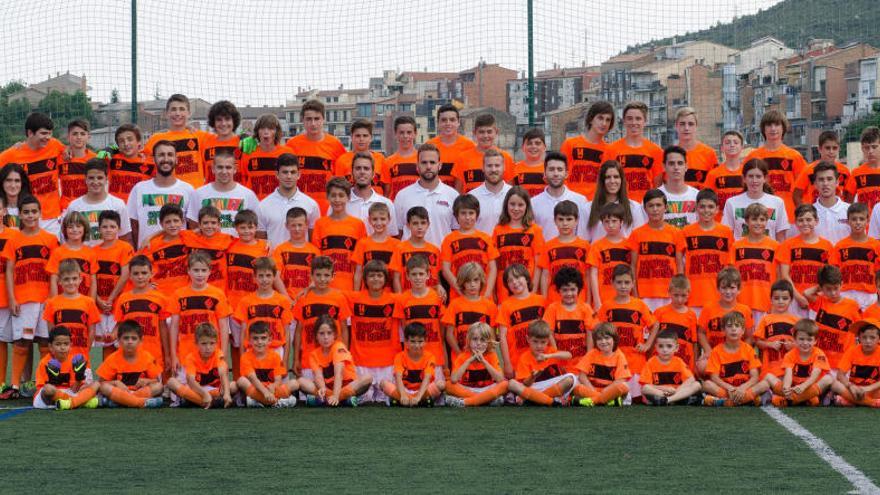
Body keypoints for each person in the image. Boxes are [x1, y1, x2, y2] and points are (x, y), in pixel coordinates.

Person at [3, 195, 58, 399]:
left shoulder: (50, 239)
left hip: (45, 298)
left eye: (34, 211)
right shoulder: (14, 239)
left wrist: (53, 299)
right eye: (26, 212)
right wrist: (12, 298)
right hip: (23, 298)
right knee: (22, 342)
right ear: (20, 215)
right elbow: (9, 270)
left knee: (45, 341)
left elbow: (54, 271)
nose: (30, 215)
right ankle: (16, 386)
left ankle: (44, 383)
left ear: (40, 213)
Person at [596, 264, 657, 397]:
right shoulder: (606, 306)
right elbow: (598, 329)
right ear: (612, 283)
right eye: (619, 282)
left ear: (633, 283)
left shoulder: (639, 305)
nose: (623, 286)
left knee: (636, 397)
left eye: (627, 282)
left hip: (635, 362)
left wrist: (647, 345)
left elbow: (655, 325)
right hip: (613, 361)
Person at [0, 112, 65, 235]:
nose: (48, 137)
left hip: (51, 218)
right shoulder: (14, 153)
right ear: (30, 133)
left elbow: (73, 152)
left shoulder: (55, 145)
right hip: (24, 216)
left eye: (50, 133)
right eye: (43, 133)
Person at [168, 251, 232, 374]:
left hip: (211, 353)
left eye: (203, 270)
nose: (200, 274)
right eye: (196, 270)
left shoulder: (217, 294)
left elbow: (224, 327)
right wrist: (173, 355)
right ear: (188, 271)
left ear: (209, 271)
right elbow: (174, 327)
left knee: (212, 389)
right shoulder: (178, 294)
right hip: (185, 353)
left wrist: (222, 354)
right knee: (182, 389)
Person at [347, 260, 399, 403]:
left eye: (379, 275)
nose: (376, 279)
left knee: (388, 398)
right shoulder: (354, 299)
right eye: (371, 276)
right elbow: (330, 293)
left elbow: (416, 296)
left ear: (385, 279)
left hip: (387, 362)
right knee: (363, 398)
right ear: (365, 279)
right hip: (361, 361)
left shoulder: (395, 300)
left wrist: (437, 288)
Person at [127, 140, 195, 249]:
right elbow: (132, 225)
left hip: (178, 254)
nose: (166, 159)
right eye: (161, 155)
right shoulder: (139, 189)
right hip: (147, 256)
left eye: (170, 155)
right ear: (154, 159)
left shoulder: (188, 190)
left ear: (176, 159)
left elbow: (192, 227)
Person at [291, 256, 351, 376]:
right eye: (318, 275)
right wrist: (296, 359)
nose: (322, 279)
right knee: (310, 393)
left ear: (333, 276)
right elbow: (298, 331)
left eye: (326, 275)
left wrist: (344, 355)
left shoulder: (339, 298)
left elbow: (344, 328)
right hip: (308, 360)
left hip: (333, 359)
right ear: (311, 276)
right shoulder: (303, 299)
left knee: (333, 393)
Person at [743, 109, 807, 222]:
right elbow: (744, 187)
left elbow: (804, 187)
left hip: (789, 216)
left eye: (777, 124)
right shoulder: (753, 156)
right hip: (759, 216)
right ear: (763, 129)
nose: (773, 129)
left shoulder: (794, 156)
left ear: (783, 128)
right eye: (769, 125)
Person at [285, 99, 346, 212]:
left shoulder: (335, 145)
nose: (313, 123)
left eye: (317, 119)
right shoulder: (291, 145)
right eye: (309, 119)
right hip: (298, 208)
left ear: (323, 119)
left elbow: (342, 180)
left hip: (327, 208)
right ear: (302, 120)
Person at [112, 255, 169, 375]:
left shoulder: (160, 298)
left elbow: (163, 327)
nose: (140, 277)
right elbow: (119, 324)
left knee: (155, 389)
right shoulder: (123, 298)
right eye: (136, 273)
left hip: (153, 354)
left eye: (144, 273)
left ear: (151, 274)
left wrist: (167, 355)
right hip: (129, 356)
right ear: (130, 276)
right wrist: (112, 334)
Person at [629, 188, 684, 311]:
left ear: (665, 207)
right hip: (645, 294)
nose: (655, 209)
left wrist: (679, 292)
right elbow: (633, 266)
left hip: (669, 294)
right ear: (645, 208)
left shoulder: (676, 233)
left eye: (658, 205)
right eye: (651, 206)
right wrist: (635, 293)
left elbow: (679, 265)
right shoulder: (636, 234)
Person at [680, 189, 734, 315]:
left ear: (717, 209)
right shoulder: (686, 232)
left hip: (719, 296)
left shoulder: (726, 233)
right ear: (696, 208)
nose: (706, 210)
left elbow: (730, 266)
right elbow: (681, 264)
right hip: (693, 296)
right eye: (702, 206)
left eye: (710, 207)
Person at [394, 143, 459, 247]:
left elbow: (456, 231)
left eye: (432, 162)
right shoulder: (402, 195)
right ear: (417, 166)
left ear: (440, 165)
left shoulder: (453, 195)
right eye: (424, 162)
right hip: (410, 259)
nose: (428, 167)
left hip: (440, 259)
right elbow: (398, 232)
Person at [298, 315, 372, 407]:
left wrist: (336, 396)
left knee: (367, 378)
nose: (325, 337)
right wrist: (322, 388)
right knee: (301, 382)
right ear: (316, 335)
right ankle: (344, 400)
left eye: (329, 333)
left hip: (347, 386)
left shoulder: (339, 347)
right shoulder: (314, 354)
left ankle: (328, 400)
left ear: (335, 335)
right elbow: (318, 376)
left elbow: (339, 374)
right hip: (329, 389)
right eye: (321, 333)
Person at [232, 257, 293, 365]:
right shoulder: (245, 301)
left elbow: (287, 333)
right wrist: (243, 360)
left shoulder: (282, 301)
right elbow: (243, 334)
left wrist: (285, 361)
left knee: (279, 382)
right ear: (254, 277)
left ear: (274, 277)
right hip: (252, 351)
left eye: (268, 275)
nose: (265, 279)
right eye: (261, 276)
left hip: (276, 349)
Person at [393, 255, 446, 378]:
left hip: (434, 354)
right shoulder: (402, 299)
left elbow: (441, 332)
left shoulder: (437, 298)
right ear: (407, 276)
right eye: (414, 274)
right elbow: (404, 329)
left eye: (421, 274)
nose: (418, 278)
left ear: (428, 275)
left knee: (436, 389)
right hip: (412, 356)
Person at [777, 204, 834, 317]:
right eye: (801, 220)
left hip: (818, 298)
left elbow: (830, 276)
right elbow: (784, 274)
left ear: (816, 221)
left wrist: (815, 295)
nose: (805, 223)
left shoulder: (827, 246)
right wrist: (798, 297)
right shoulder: (788, 245)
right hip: (794, 298)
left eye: (809, 219)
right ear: (796, 223)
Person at [143, 94, 210, 188]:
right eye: (173, 109)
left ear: (189, 113)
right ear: (166, 113)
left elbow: (223, 140)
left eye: (182, 109)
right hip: (167, 194)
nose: (177, 113)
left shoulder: (199, 136)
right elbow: (142, 165)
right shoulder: (156, 139)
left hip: (194, 194)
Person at [187, 149, 260, 237]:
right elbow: (193, 224)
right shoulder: (199, 193)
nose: (224, 172)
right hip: (208, 248)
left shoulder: (248, 195)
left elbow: (257, 226)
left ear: (235, 169)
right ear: (213, 169)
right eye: (220, 167)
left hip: (237, 248)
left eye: (228, 167)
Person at [702, 311, 767, 406]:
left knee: (765, 384)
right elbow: (714, 377)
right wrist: (729, 388)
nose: (733, 329)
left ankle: (726, 402)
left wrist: (742, 388)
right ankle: (747, 400)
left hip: (744, 389)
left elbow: (755, 377)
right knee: (707, 384)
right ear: (723, 330)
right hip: (726, 390)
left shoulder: (748, 349)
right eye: (729, 326)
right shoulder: (716, 351)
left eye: (737, 326)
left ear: (743, 330)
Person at [763, 319, 833, 407]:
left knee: (828, 379)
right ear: (795, 339)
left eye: (809, 340)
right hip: (794, 388)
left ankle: (791, 400)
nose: (805, 343)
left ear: (815, 341)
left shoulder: (819, 353)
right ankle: (804, 399)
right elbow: (788, 374)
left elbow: (815, 374)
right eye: (801, 339)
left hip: (809, 387)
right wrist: (786, 388)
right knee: (768, 377)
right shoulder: (790, 355)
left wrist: (804, 386)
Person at [697, 267, 755, 373]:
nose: (728, 292)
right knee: (702, 366)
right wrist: (708, 350)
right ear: (718, 288)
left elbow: (749, 337)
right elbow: (701, 332)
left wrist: (741, 353)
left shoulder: (744, 310)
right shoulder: (708, 308)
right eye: (724, 288)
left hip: (736, 353)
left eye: (732, 288)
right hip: (715, 353)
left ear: (739, 289)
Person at [41, 259, 100, 363]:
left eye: (74, 278)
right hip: (60, 358)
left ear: (80, 279)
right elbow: (51, 332)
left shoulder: (89, 302)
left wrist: (86, 350)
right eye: (66, 279)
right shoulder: (52, 303)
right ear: (59, 281)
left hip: (81, 357)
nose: (71, 282)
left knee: (81, 379)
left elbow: (91, 331)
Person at [95, 319, 164, 408]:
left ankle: (122, 402)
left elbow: (157, 381)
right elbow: (101, 383)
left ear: (141, 340)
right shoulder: (112, 358)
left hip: (139, 392)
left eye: (134, 338)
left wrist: (147, 381)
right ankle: (141, 403)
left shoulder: (147, 357)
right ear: (119, 340)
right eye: (126, 338)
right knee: (104, 388)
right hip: (120, 392)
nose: (130, 341)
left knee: (159, 386)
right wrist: (115, 383)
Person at [313, 178, 367, 290]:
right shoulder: (320, 224)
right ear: (327, 197)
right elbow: (316, 260)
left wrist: (356, 292)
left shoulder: (358, 225)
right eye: (333, 195)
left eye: (341, 195)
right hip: (325, 287)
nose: (337, 199)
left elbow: (360, 263)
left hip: (349, 286)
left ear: (348, 198)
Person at [803, 265, 860, 370]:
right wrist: (820, 286)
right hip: (822, 360)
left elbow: (859, 331)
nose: (833, 293)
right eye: (828, 289)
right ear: (821, 287)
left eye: (836, 288)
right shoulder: (820, 301)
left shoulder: (852, 306)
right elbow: (806, 293)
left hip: (842, 362)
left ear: (841, 284)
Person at [257, 153, 320, 249]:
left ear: (299, 175)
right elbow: (261, 244)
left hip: (302, 261)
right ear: (277, 174)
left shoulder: (311, 205)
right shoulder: (262, 206)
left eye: (293, 172)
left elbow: (314, 242)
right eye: (285, 172)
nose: (289, 176)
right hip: (274, 262)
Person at [166, 322, 235, 408]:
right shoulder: (191, 358)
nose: (208, 347)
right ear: (196, 343)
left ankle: (193, 400)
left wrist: (227, 394)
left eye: (212, 343)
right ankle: (210, 403)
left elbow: (224, 375)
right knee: (171, 382)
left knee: (233, 386)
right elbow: (191, 382)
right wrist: (205, 394)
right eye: (204, 344)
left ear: (216, 343)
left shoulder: (218, 354)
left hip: (213, 389)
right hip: (196, 389)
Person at [605, 101, 663, 203]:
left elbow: (657, 185)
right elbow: (605, 181)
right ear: (624, 121)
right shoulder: (611, 150)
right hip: (620, 205)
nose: (634, 123)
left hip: (645, 206)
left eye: (638, 119)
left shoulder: (656, 151)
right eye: (630, 118)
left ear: (645, 121)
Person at [65, 158, 132, 245]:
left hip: (109, 257)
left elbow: (124, 237)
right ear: (85, 179)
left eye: (100, 178)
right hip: (84, 256)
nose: (95, 182)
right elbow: (68, 238)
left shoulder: (118, 205)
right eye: (91, 178)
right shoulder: (74, 206)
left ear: (106, 178)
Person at [732, 203, 780, 324]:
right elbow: (732, 276)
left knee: (762, 342)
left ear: (767, 221)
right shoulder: (736, 246)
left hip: (765, 302)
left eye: (762, 219)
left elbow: (779, 278)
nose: (758, 223)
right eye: (754, 219)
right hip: (741, 302)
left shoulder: (775, 246)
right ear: (746, 221)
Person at [508, 320, 574, 406]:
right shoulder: (524, 358)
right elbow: (525, 384)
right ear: (528, 339)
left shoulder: (550, 351)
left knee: (570, 379)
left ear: (548, 340)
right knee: (512, 384)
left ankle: (535, 400)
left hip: (550, 387)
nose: (539, 346)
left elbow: (569, 355)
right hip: (535, 388)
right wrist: (533, 377)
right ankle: (550, 401)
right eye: (535, 341)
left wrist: (548, 356)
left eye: (543, 342)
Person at [721, 158, 790, 241]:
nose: (754, 180)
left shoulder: (777, 203)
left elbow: (781, 237)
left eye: (758, 176)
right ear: (744, 178)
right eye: (750, 176)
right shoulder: (732, 203)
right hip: (741, 252)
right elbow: (727, 235)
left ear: (765, 178)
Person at [497, 264, 547, 379]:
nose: (514, 282)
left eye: (518, 277)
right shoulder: (505, 306)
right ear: (507, 285)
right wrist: (507, 364)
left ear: (526, 278)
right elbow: (502, 337)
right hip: (517, 361)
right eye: (510, 280)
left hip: (541, 359)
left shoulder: (541, 301)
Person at [543, 267, 595, 372]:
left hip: (581, 362)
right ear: (558, 290)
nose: (569, 293)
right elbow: (549, 334)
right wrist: (557, 357)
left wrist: (588, 360)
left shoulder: (586, 308)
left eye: (572, 289)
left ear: (579, 289)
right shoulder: (552, 308)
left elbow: (590, 335)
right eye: (565, 290)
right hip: (561, 364)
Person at [444, 321, 508, 407]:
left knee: (505, 384)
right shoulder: (462, 356)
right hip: (468, 390)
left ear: (488, 342)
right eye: (475, 339)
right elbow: (454, 379)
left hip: (486, 389)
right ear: (468, 340)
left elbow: (500, 379)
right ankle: (486, 400)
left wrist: (484, 362)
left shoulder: (492, 355)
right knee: (448, 385)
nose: (478, 343)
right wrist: (468, 361)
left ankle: (465, 402)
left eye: (482, 340)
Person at [34, 326, 99, 410]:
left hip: (69, 393)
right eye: (58, 344)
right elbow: (42, 389)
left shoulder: (74, 360)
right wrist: (52, 382)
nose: (62, 347)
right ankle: (80, 402)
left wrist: (79, 378)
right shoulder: (44, 362)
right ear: (50, 346)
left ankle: (71, 403)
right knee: (49, 389)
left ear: (71, 345)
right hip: (50, 395)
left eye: (66, 344)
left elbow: (74, 389)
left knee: (96, 384)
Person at [539, 200, 591, 304]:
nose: (565, 223)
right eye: (561, 219)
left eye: (569, 219)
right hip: (554, 299)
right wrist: (544, 301)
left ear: (576, 221)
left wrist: (589, 300)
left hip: (579, 299)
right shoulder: (548, 246)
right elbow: (545, 275)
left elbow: (587, 275)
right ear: (555, 221)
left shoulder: (585, 246)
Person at [380, 322, 444, 407]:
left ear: (425, 341)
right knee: (383, 383)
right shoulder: (399, 356)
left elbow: (427, 378)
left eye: (420, 341)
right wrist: (403, 395)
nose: (417, 345)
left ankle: (403, 401)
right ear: (406, 341)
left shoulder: (430, 357)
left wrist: (418, 396)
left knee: (441, 384)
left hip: (422, 391)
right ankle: (421, 402)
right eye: (413, 341)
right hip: (404, 391)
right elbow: (398, 378)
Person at [441, 262, 496, 361]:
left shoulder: (489, 306)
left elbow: (492, 335)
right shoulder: (454, 305)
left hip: (484, 360)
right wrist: (460, 355)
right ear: (462, 282)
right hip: (461, 359)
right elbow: (449, 335)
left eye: (476, 280)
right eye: (468, 281)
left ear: (481, 281)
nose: (472, 284)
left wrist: (485, 356)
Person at [236, 321, 298, 408]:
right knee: (241, 381)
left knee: (294, 383)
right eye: (255, 338)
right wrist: (265, 392)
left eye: (263, 338)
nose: (259, 342)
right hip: (256, 388)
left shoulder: (275, 356)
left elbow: (278, 380)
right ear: (249, 340)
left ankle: (258, 401)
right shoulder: (245, 357)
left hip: (271, 390)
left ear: (269, 340)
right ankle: (277, 402)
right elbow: (252, 379)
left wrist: (273, 386)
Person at [531, 151, 590, 240]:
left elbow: (584, 236)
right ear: (544, 173)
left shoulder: (580, 201)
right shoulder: (533, 203)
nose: (555, 174)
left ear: (566, 174)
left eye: (560, 169)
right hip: (544, 253)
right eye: (551, 169)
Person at [561, 101, 614, 199]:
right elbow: (562, 174)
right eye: (600, 118)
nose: (604, 123)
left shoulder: (609, 150)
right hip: (571, 201)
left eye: (608, 120)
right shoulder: (570, 144)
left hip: (595, 204)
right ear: (591, 119)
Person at [832, 202, 880, 309]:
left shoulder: (876, 246)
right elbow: (835, 273)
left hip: (869, 294)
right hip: (846, 293)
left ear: (868, 221)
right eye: (854, 219)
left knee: (870, 325)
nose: (858, 222)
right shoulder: (840, 246)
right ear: (848, 221)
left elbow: (878, 273)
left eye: (861, 219)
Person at [584, 160, 646, 242]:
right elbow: (583, 241)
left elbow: (639, 239)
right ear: (602, 181)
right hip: (596, 254)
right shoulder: (587, 208)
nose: (612, 181)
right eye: (608, 177)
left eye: (616, 177)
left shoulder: (635, 207)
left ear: (622, 180)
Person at [571, 322, 630, 406]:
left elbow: (621, 380)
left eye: (607, 338)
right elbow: (582, 376)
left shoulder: (619, 355)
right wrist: (593, 390)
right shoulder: (591, 354)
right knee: (577, 388)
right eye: (599, 339)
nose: (603, 341)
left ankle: (593, 401)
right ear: (595, 341)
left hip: (610, 391)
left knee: (624, 387)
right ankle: (608, 401)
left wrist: (606, 390)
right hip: (592, 390)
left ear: (614, 339)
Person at [640, 328, 703, 406]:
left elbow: (691, 379)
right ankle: (677, 400)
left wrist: (676, 391)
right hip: (661, 393)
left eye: (669, 346)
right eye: (661, 346)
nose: (665, 350)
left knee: (697, 384)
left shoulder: (679, 361)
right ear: (656, 347)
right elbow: (646, 385)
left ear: (676, 348)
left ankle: (668, 400)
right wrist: (665, 389)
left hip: (677, 392)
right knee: (645, 388)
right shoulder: (651, 362)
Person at [453, 113, 514, 193]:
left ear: (496, 132)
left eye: (489, 132)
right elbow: (458, 192)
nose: (485, 136)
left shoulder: (506, 158)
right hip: (470, 204)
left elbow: (509, 191)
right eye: (481, 132)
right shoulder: (462, 158)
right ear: (474, 133)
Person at [388, 207, 443, 296]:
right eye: (415, 223)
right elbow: (396, 278)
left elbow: (436, 276)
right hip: (408, 298)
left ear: (428, 224)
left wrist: (439, 287)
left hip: (429, 299)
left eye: (423, 223)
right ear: (408, 225)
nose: (419, 227)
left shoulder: (434, 250)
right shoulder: (400, 249)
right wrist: (400, 298)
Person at [240, 114, 295, 201]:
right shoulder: (248, 153)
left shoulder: (287, 152)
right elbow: (243, 180)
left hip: (279, 204)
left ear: (277, 132)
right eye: (262, 128)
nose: (266, 132)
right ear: (257, 132)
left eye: (270, 128)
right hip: (254, 205)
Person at [587, 203, 632, 309]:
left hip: (626, 298)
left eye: (614, 221)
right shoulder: (597, 246)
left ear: (621, 222)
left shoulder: (629, 245)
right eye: (607, 222)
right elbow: (593, 274)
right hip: (603, 299)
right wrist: (597, 300)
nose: (610, 225)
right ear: (602, 223)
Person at [754, 280, 798, 384]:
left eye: (785, 298)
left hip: (790, 368)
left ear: (791, 300)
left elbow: (802, 344)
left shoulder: (797, 321)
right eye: (777, 298)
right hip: (770, 367)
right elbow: (757, 343)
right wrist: (770, 344)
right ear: (771, 299)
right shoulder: (765, 319)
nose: (781, 301)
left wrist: (792, 346)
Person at [344, 152, 398, 236]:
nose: (362, 172)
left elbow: (392, 237)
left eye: (366, 168)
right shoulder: (341, 203)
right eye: (358, 168)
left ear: (373, 174)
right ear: (352, 172)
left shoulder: (386, 204)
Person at [271, 207, 320, 301]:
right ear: (286, 226)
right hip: (285, 300)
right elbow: (275, 276)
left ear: (306, 225)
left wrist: (307, 293)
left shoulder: (315, 251)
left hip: (307, 299)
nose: (297, 229)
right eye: (293, 225)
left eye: (300, 225)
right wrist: (287, 298)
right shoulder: (280, 250)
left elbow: (318, 277)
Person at [653, 275, 699, 372]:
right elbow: (652, 339)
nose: (679, 299)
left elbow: (694, 343)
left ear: (689, 293)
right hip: (661, 363)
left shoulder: (692, 315)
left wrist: (694, 365)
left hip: (684, 364)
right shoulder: (659, 312)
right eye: (676, 295)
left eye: (683, 295)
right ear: (669, 292)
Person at [181, 206, 233, 291]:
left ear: (219, 224)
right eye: (205, 223)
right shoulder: (190, 237)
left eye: (213, 223)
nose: (209, 226)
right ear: (199, 225)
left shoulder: (227, 239)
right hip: (194, 289)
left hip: (218, 290)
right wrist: (150, 238)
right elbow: (167, 231)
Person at [46, 211, 97, 298]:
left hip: (84, 302)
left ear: (85, 228)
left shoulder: (90, 253)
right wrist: (54, 302)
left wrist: (91, 302)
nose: (75, 230)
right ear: (64, 230)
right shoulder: (58, 252)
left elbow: (93, 281)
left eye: (78, 226)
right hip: (63, 301)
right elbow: (54, 279)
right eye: (70, 227)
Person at [793, 130, 851, 206]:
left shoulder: (845, 171)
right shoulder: (809, 170)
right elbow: (796, 195)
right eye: (827, 148)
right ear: (819, 149)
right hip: (816, 213)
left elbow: (849, 195)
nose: (831, 151)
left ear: (839, 149)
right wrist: (805, 212)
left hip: (837, 213)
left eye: (834, 148)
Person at [350, 203, 399, 291]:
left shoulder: (397, 245)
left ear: (389, 219)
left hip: (388, 295)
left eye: (383, 219)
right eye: (375, 219)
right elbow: (358, 272)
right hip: (367, 294)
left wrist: (399, 299)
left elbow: (397, 276)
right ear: (369, 220)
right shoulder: (363, 243)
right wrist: (356, 295)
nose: (379, 223)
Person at [426, 103, 476, 189]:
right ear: (438, 122)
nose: (448, 123)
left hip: (462, 199)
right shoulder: (429, 146)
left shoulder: (470, 146)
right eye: (444, 120)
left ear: (458, 122)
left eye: (452, 120)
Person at [832, 318, 880, 407]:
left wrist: (868, 388)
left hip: (874, 390)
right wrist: (850, 386)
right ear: (859, 338)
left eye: (872, 337)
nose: (868, 341)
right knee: (834, 384)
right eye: (864, 337)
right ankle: (871, 403)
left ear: (879, 339)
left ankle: (853, 401)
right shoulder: (852, 351)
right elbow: (840, 375)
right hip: (854, 390)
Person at [334, 119, 385, 194]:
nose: (361, 139)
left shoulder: (381, 159)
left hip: (376, 204)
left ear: (371, 138)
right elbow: (339, 188)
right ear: (352, 137)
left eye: (365, 136)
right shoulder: (342, 160)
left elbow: (387, 187)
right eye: (358, 136)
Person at [703, 130, 746, 220]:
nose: (732, 145)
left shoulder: (747, 173)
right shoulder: (713, 174)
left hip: (743, 221)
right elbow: (706, 200)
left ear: (742, 147)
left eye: (736, 142)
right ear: (722, 148)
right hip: (720, 222)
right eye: (728, 142)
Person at [673, 107, 719, 188]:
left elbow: (715, 186)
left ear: (696, 126)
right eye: (682, 124)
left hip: (701, 200)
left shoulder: (709, 154)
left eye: (690, 124)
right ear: (676, 126)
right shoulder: (669, 154)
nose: (686, 128)